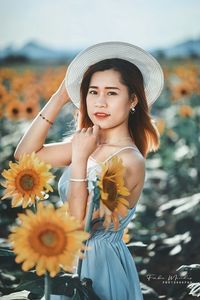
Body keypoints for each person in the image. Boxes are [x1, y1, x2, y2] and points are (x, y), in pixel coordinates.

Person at [14, 41, 164, 300]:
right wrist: (59, 97)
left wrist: (80, 158)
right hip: (69, 260)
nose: (100, 102)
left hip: (100, 267)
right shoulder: (86, 142)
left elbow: (77, 223)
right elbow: (24, 155)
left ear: (133, 99)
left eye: (112, 93)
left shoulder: (130, 160)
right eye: (93, 92)